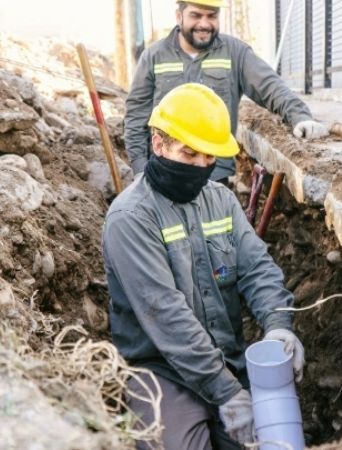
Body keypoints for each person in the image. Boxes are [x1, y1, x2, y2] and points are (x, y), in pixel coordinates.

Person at [103, 82, 305, 449]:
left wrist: (279, 326)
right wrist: (226, 392)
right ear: (158, 144)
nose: (200, 167)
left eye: (209, 158)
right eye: (190, 153)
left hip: (228, 361)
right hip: (162, 370)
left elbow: (257, 268)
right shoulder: (131, 218)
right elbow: (166, 316)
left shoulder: (221, 200)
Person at [124, 0, 328, 183]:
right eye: (196, 15)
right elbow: (136, 116)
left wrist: (299, 116)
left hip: (213, 173)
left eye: (211, 16)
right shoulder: (154, 56)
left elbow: (271, 87)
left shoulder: (235, 53)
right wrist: (140, 170)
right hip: (165, 171)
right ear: (179, 16)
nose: (204, 23)